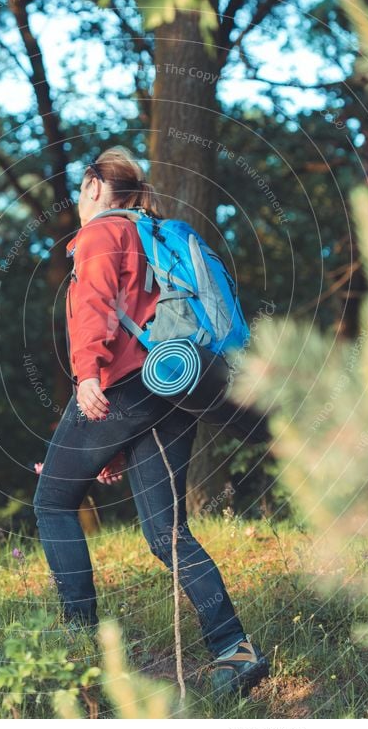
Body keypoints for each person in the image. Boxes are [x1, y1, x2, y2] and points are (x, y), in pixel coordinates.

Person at [33, 146, 269, 697]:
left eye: (81, 185)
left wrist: (87, 373)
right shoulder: (147, 232)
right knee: (166, 533)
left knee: (52, 500)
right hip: (169, 383)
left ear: (94, 184)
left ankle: (78, 646)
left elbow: (93, 303)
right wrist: (113, 446)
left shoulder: (99, 234)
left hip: (120, 384)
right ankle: (235, 650)